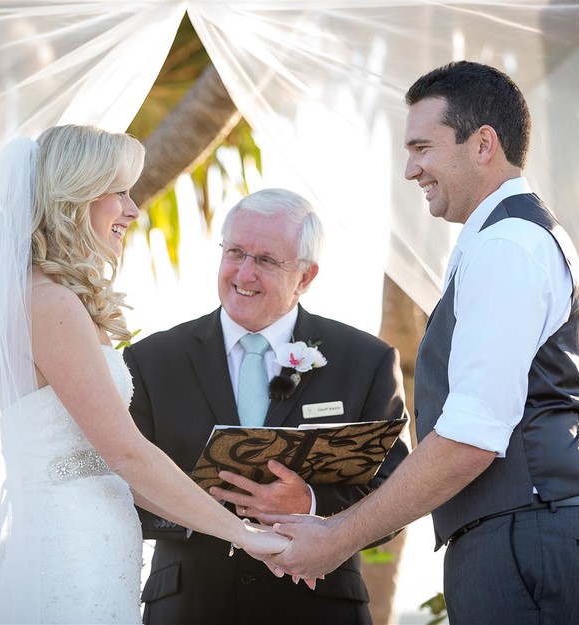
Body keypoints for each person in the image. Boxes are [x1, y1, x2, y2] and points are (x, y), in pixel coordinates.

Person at [0, 125, 287, 625]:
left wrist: (241, 519)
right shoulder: (49, 303)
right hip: (72, 552)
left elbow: (112, 467)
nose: (133, 209)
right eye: (119, 192)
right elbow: (125, 451)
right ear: (75, 197)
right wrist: (246, 537)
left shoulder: (42, 298)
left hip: (90, 547)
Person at [263, 62, 579, 625]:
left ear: (483, 144)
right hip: (522, 534)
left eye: (422, 147)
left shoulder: (508, 246)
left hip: (522, 539)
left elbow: (471, 437)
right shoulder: (507, 238)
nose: (411, 170)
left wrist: (337, 535)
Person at [123, 188, 410, 625]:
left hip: (319, 609)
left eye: (266, 260)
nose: (244, 273)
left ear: (306, 276)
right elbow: (124, 485)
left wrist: (312, 504)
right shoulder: (151, 360)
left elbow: (396, 489)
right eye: (235, 252)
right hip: (188, 607)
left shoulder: (365, 360)